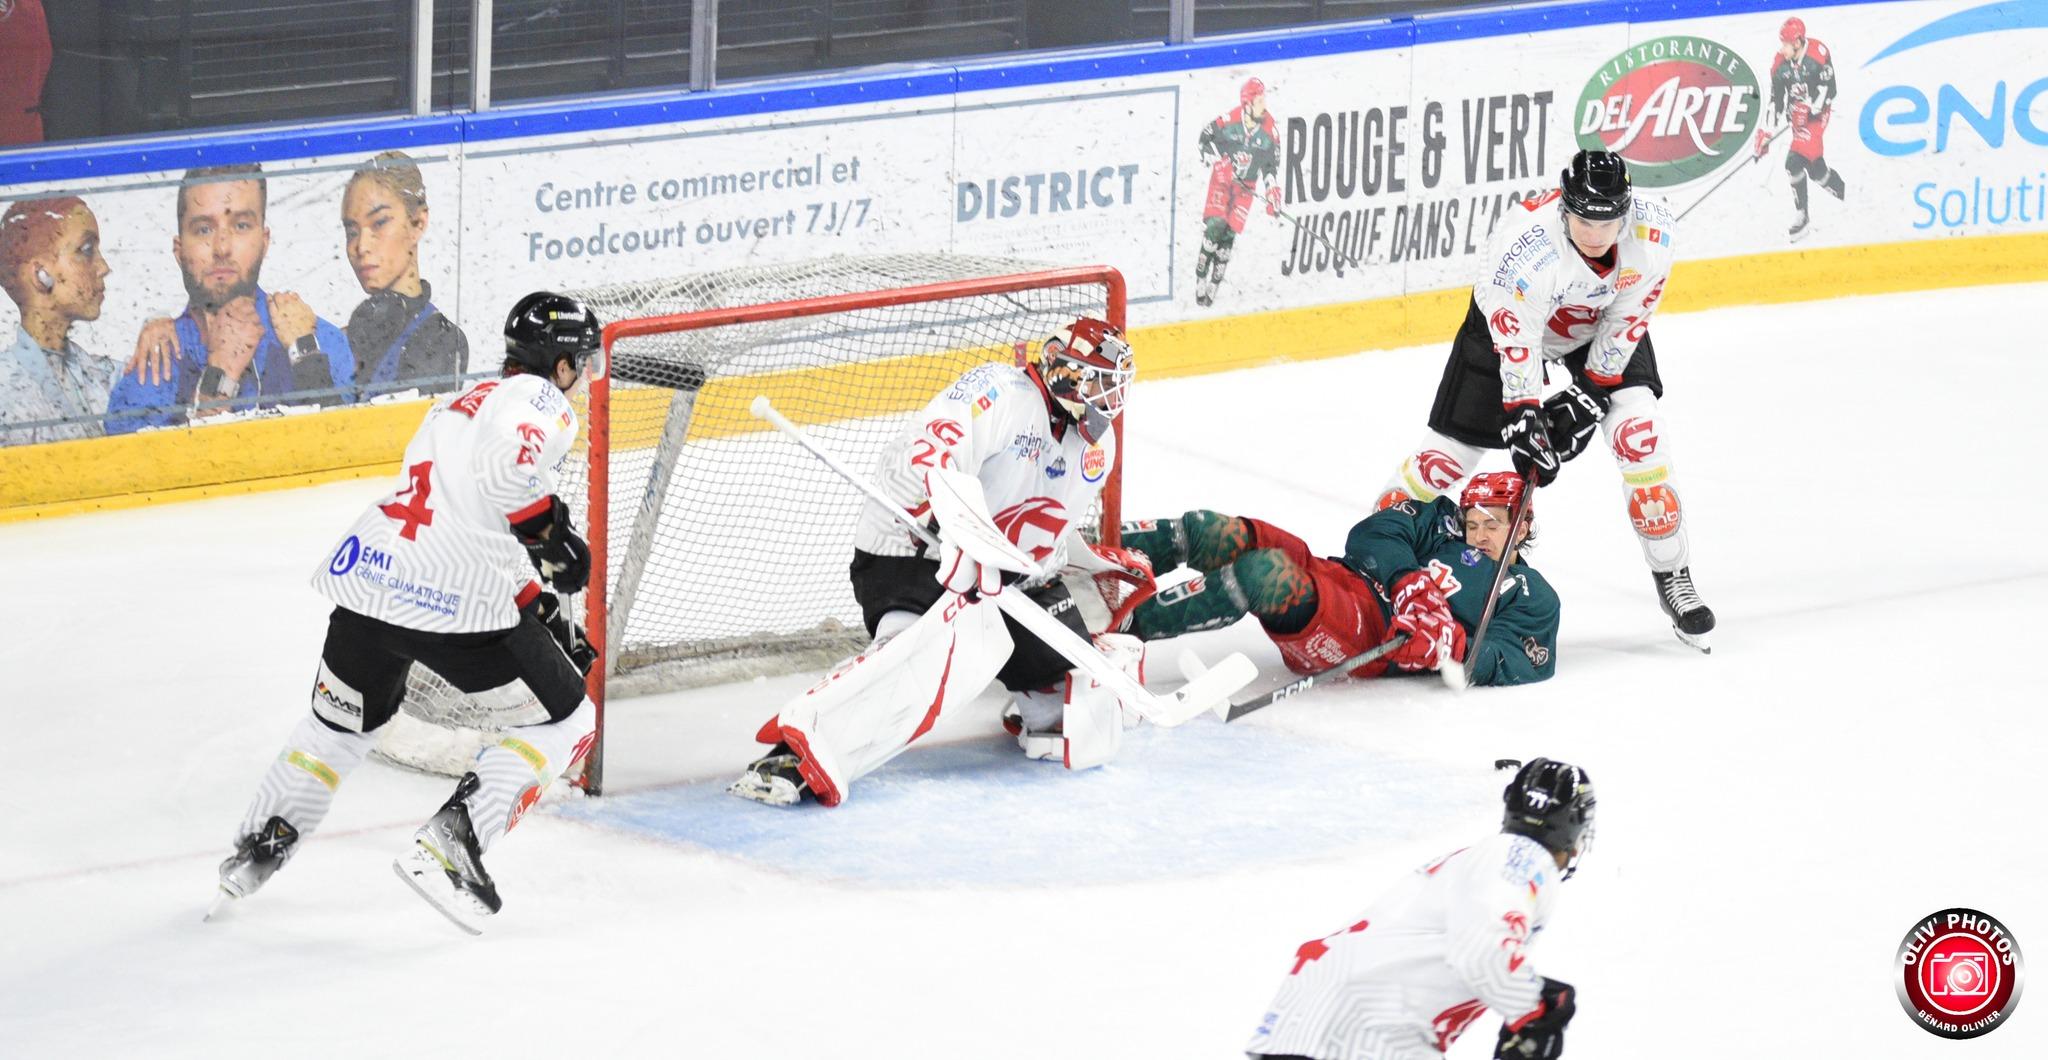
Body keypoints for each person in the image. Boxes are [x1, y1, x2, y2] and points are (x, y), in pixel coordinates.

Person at [211, 292, 603, 935]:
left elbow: (463, 509)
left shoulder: (457, 404)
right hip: (453, 598)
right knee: (570, 720)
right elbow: (506, 473)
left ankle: (259, 846)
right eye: (581, 364)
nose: (583, 378)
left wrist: (536, 601)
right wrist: (551, 537)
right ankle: (454, 842)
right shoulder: (540, 400)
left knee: (338, 728)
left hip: (370, 581)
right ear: (560, 365)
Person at [728, 318, 1153, 807]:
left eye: (1115, 387)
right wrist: (957, 531)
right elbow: (926, 455)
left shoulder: (1096, 448)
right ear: (1064, 371)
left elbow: (1044, 533)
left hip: (1002, 579)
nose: (1108, 400)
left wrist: (1057, 564)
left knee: (1075, 705)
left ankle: (1056, 680)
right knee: (917, 663)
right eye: (1098, 383)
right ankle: (793, 754)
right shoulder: (1000, 392)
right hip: (915, 551)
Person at [1377, 150, 1713, 652]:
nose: (1595, 234)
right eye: (1583, 221)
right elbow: (1518, 346)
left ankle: (1673, 574)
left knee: (1640, 436)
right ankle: (1373, 560)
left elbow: (1627, 319)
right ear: (1564, 210)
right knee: (1446, 459)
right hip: (1506, 332)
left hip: (1598, 329)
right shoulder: (1524, 248)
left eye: (1607, 223)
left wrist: (1592, 392)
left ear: (1625, 213)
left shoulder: (1654, 234)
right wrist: (1524, 416)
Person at [1246, 758, 1595, 1060]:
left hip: (1316, 1018)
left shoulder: (1480, 860)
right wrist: (1533, 1013)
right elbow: (1482, 950)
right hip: (1364, 1029)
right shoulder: (1524, 858)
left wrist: (1529, 1000)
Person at [1123, 472, 1557, 687]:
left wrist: (1451, 646)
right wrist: (1409, 582)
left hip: (1365, 632)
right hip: (1341, 576)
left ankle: (1124, 627)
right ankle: (1100, 555)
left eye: (1493, 524)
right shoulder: (1442, 523)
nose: (1479, 535)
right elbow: (1373, 534)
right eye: (1473, 524)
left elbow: (1517, 660)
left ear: (1521, 526)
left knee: (1264, 575)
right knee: (1212, 531)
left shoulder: (1532, 594)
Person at [105, 163, 354, 433]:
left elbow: (353, 446)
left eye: (241, 225)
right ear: (179, 250)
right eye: (203, 229)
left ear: (264, 241)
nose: (222, 247)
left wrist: (305, 355)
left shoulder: (321, 343)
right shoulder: (153, 367)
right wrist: (219, 376)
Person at [341, 150, 468, 399]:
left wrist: (306, 355)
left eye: (379, 223)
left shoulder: (442, 341)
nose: (361, 246)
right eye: (352, 232)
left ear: (417, 223)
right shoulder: (356, 333)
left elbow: (370, 422)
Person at [1, 196, 113, 444]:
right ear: (40, 275)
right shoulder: (6, 392)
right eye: (86, 251)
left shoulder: (103, 374)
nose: (103, 267)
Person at [1195, 77, 1282, 307]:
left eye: (1264, 100)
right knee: (1215, 226)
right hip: (1222, 182)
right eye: (1259, 101)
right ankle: (1201, 276)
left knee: (1228, 235)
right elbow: (1205, 139)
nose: (1264, 105)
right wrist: (1217, 161)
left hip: (1246, 188)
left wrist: (1272, 191)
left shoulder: (1270, 131)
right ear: (1247, 104)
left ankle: (1214, 283)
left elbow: (1270, 167)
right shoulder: (1229, 121)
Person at [1760, 17, 1846, 240]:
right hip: (1797, 120)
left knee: (1793, 162)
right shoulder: (1779, 64)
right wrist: (1767, 132)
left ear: (1797, 42)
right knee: (1817, 172)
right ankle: (1844, 193)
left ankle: (1802, 216)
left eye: (1786, 44)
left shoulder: (1818, 54)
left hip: (1817, 117)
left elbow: (1830, 91)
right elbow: (1776, 101)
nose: (1782, 49)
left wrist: (1809, 108)